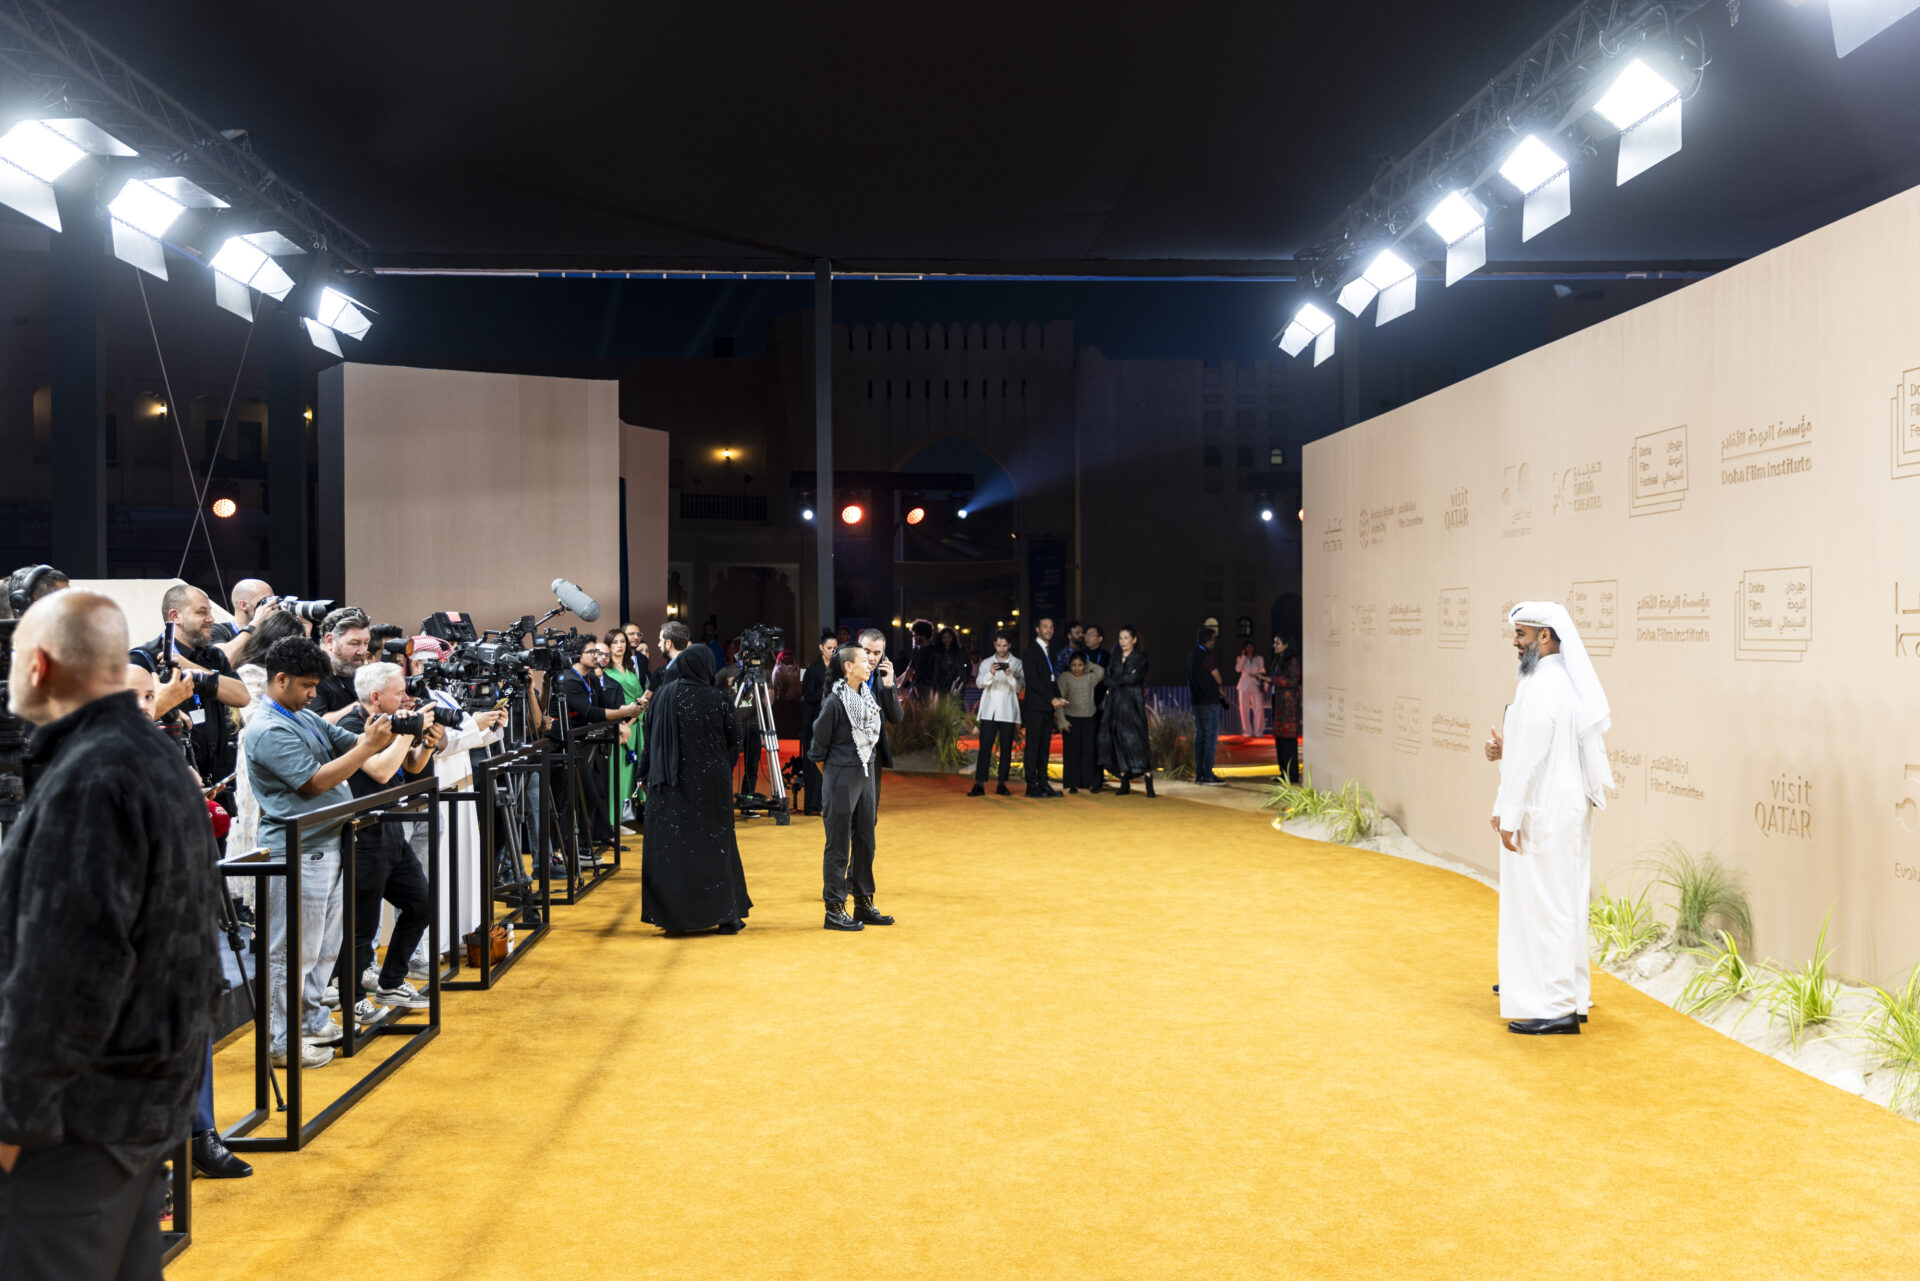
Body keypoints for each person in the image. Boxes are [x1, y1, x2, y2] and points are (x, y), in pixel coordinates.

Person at [0, 590, 224, 1280]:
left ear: (38, 665)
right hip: (141, 1108)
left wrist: (10, 1119)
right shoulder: (152, 754)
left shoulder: (89, 776)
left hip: (77, 1125)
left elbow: (68, 974)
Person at [243, 636, 403, 1069]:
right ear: (281, 679)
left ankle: (311, 1021)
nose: (314, 694)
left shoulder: (301, 715)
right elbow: (314, 782)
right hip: (296, 849)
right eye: (307, 685)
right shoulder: (267, 727)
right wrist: (369, 746)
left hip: (328, 841)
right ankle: (279, 1042)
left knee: (323, 950)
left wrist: (395, 732)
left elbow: (346, 740)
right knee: (290, 952)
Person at [122, 664, 253, 1181]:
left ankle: (200, 1135)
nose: (144, 705)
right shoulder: (87, 754)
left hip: (172, 909)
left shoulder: (159, 745)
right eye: (131, 697)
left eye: (148, 696)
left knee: (192, 1021)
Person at [1485, 601, 1611, 1036]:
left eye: (1520, 634)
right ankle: (1571, 998)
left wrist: (1508, 812)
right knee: (1564, 901)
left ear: (1545, 635)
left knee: (1549, 906)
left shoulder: (1542, 683)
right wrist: (1506, 758)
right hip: (1560, 805)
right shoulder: (1560, 680)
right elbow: (1534, 748)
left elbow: (1533, 756)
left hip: (1547, 807)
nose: (1515, 643)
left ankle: (1556, 1007)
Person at [335, 663, 442, 1013]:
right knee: (361, 927)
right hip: (363, 835)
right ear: (376, 697)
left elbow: (410, 766)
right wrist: (411, 731)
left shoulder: (390, 721)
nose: (407, 698)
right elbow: (380, 771)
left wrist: (427, 743)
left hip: (392, 829)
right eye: (400, 693)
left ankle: (391, 982)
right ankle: (352, 999)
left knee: (422, 904)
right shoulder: (352, 726)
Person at [636, 644, 752, 933]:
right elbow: (736, 737)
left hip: (669, 783)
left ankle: (674, 918)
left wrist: (643, 774)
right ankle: (725, 915)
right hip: (712, 784)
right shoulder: (718, 698)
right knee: (716, 847)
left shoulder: (662, 697)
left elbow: (650, 739)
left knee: (674, 848)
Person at [127, 583, 253, 809]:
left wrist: (191, 669)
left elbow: (242, 697)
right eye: (201, 612)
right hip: (169, 793)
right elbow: (128, 723)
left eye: (210, 612)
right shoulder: (143, 659)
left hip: (218, 791)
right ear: (175, 616)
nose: (211, 619)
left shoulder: (214, 656)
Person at [809, 642, 902, 930]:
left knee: (865, 842)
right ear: (848, 667)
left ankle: (863, 901)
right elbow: (817, 750)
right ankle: (834, 908)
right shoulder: (834, 702)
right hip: (841, 778)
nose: (869, 662)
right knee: (838, 844)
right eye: (864, 659)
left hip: (866, 775)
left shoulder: (867, 697)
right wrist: (836, 778)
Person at [1098, 625, 1154, 797]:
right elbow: (1107, 679)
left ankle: (1148, 781)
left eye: (1126, 638)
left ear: (1134, 640)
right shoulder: (1115, 657)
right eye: (1120, 638)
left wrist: (1119, 679)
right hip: (1115, 704)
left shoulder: (1141, 657)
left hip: (1132, 704)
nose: (1122, 641)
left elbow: (1134, 678)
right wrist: (1123, 678)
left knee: (1137, 741)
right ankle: (1124, 782)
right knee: (1118, 741)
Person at [968, 630, 1023, 796]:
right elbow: (979, 683)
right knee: (984, 748)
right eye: (998, 645)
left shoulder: (1017, 663)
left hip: (1008, 711)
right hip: (989, 711)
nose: (1001, 648)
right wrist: (991, 673)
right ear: (994, 645)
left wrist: (1010, 676)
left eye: (1004, 645)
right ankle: (979, 784)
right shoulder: (986, 663)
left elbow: (1019, 688)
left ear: (1010, 645)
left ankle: (1002, 784)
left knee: (1006, 749)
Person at [856, 627, 905, 802]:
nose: (871, 657)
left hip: (872, 753)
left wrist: (889, 686)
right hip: (847, 751)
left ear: (883, 654)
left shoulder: (884, 677)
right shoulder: (844, 674)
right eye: (867, 651)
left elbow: (896, 717)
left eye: (877, 653)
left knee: (870, 810)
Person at [604, 628, 647, 827]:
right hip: (620, 727)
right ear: (608, 646)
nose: (620, 645)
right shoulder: (606, 672)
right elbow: (608, 703)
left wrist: (641, 707)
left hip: (635, 726)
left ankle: (626, 817)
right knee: (617, 772)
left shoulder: (630, 669)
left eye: (622, 641)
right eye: (615, 642)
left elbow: (638, 696)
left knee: (631, 771)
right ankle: (613, 820)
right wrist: (626, 722)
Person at [1021, 617, 1067, 797]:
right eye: (1045, 627)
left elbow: (1051, 679)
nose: (1049, 630)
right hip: (1035, 707)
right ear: (1037, 629)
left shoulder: (1049, 650)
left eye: (1051, 627)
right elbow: (1033, 681)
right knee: (1033, 747)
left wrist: (1058, 697)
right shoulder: (1031, 651)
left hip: (1047, 707)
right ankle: (1031, 785)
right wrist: (1051, 699)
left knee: (1045, 747)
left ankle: (1043, 783)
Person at [798, 629, 837, 815]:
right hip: (814, 721)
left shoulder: (839, 669)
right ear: (821, 648)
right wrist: (827, 691)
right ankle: (813, 804)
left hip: (833, 722)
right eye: (829, 648)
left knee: (831, 763)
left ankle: (826, 803)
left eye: (835, 648)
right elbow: (809, 696)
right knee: (814, 764)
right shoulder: (812, 670)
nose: (832, 651)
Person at [310, 607, 372, 721]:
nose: (362, 651)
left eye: (366, 643)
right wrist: (367, 704)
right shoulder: (309, 674)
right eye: (354, 643)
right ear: (330, 641)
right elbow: (316, 724)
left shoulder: (359, 670)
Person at [1055, 651, 1104, 793]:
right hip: (1071, 719)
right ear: (1069, 665)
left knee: (1089, 752)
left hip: (1089, 718)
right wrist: (1062, 721)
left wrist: (1089, 664)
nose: (1077, 668)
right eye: (1073, 665)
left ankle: (1088, 783)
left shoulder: (1090, 677)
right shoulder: (1064, 677)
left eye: (1080, 665)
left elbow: (1101, 672)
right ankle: (1072, 784)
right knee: (1072, 753)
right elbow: (1059, 700)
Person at [1188, 626, 1229, 785]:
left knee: (1200, 737)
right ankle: (1207, 774)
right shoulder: (1206, 657)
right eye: (1213, 639)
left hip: (1196, 701)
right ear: (1207, 640)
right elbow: (1218, 678)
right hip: (1209, 702)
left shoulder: (1192, 654)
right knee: (1210, 738)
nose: (1214, 642)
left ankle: (1200, 774)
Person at [1268, 635, 1301, 782]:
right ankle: (1283, 773)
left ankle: (1291, 775)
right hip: (1279, 703)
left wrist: (1272, 680)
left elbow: (1293, 681)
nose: (1274, 645)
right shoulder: (1279, 660)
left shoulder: (1292, 661)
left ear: (1286, 645)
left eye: (1278, 643)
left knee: (1288, 741)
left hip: (1289, 706)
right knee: (1280, 740)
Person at [1232, 639, 1268, 738]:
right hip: (1244, 684)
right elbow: (1238, 669)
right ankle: (1247, 731)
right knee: (1244, 709)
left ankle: (1258, 731)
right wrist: (1243, 657)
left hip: (1256, 684)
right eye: (1247, 647)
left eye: (1251, 646)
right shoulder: (1241, 658)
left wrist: (1264, 683)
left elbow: (1262, 671)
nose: (1249, 649)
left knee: (1259, 707)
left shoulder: (1259, 658)